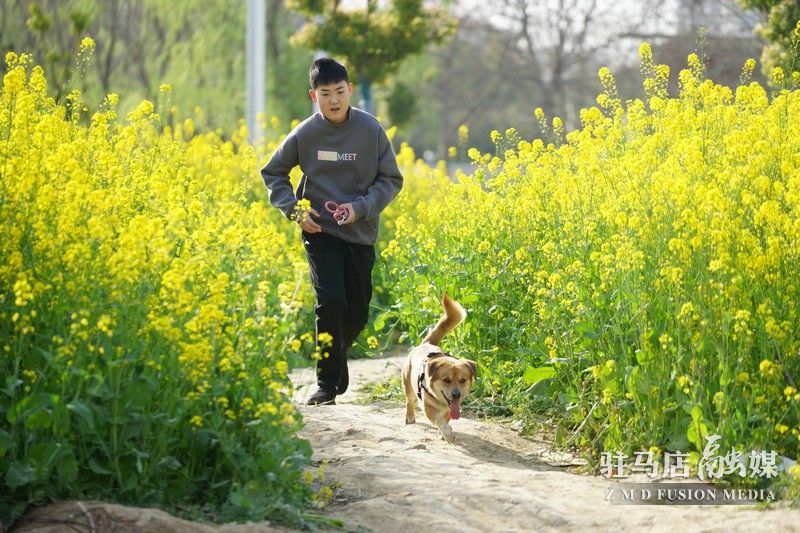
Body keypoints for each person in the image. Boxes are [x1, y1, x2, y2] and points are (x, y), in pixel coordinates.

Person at [261, 57, 403, 405]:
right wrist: (295, 210)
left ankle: (336, 354)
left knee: (357, 312)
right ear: (314, 96)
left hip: (360, 232)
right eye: (325, 94)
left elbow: (391, 179)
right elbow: (273, 172)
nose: (334, 100)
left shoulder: (370, 130)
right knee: (331, 302)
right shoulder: (305, 133)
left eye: (339, 91)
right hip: (320, 231)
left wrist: (359, 208)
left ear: (349, 90)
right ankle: (326, 384)